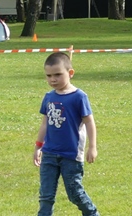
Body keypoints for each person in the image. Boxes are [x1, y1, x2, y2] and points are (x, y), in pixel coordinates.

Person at [34, 52, 100, 216]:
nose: (53, 79)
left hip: (71, 155)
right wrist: (38, 146)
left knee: (75, 193)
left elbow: (89, 122)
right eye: (49, 76)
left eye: (58, 74)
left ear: (70, 73)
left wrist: (92, 147)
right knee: (46, 196)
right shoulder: (48, 97)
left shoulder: (79, 97)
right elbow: (45, 124)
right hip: (49, 153)